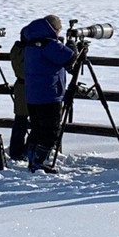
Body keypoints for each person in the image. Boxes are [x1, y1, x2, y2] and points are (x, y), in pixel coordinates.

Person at [21, 14, 76, 173]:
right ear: (53, 29)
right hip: (49, 93)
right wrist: (72, 46)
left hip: (33, 94)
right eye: (58, 30)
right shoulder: (49, 44)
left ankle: (32, 158)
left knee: (37, 128)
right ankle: (39, 161)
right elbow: (69, 58)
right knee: (50, 131)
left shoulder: (31, 42)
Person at [8, 37, 29, 160]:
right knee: (37, 121)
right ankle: (28, 148)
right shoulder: (28, 51)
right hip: (30, 86)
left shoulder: (16, 49)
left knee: (20, 120)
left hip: (20, 86)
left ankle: (16, 150)